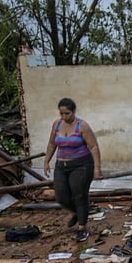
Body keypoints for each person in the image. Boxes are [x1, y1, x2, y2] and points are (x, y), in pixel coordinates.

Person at [43, 98, 102, 242]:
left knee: (79, 195)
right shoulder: (56, 124)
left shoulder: (82, 126)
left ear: (74, 111)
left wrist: (97, 168)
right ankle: (78, 213)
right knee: (61, 197)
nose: (64, 117)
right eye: (62, 113)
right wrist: (46, 161)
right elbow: (52, 144)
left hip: (81, 165)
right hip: (61, 166)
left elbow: (93, 147)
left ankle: (82, 227)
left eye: (67, 113)